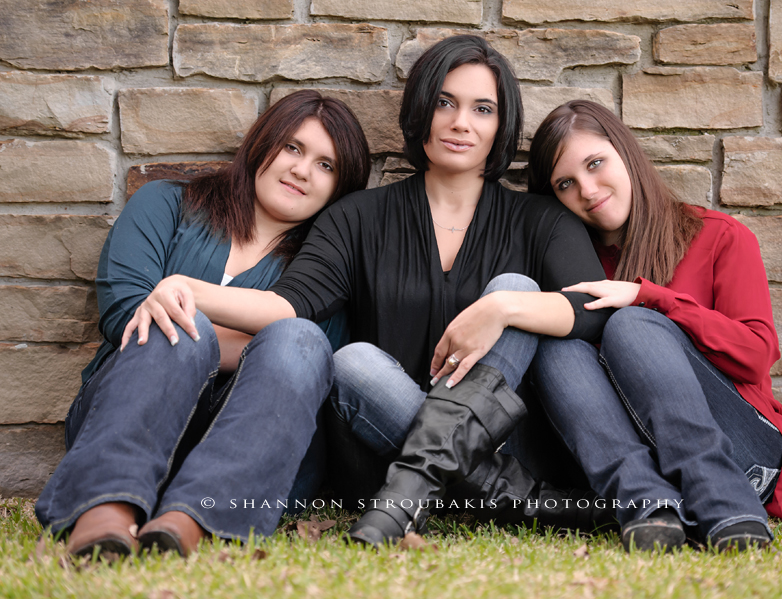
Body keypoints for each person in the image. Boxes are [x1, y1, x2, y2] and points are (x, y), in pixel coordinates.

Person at [122, 35, 617, 549]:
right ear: (421, 109)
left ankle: (428, 489)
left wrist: (504, 306)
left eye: (482, 109)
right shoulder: (356, 216)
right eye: (445, 102)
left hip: (503, 443)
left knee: (516, 287)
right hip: (380, 451)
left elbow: (593, 309)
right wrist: (184, 288)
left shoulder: (540, 220)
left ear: (501, 125)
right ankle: (505, 495)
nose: (460, 122)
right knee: (352, 361)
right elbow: (289, 307)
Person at [34, 90, 371, 558]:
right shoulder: (167, 205)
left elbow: (310, 360)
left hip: (252, 447)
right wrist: (236, 339)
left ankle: (190, 522)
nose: (301, 170)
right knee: (172, 329)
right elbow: (124, 312)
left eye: (326, 165)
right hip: (128, 416)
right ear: (263, 143)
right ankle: (103, 511)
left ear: (340, 187)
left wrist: (190, 318)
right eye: (292, 147)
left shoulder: (327, 267)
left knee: (295, 338)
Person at [526, 100, 782, 552]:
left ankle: (725, 502)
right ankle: (649, 508)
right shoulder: (570, 262)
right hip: (636, 477)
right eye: (566, 183)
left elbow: (755, 355)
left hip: (741, 458)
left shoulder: (719, 236)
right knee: (557, 345)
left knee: (633, 325)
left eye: (596, 164)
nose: (589, 190)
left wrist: (650, 296)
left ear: (626, 153)